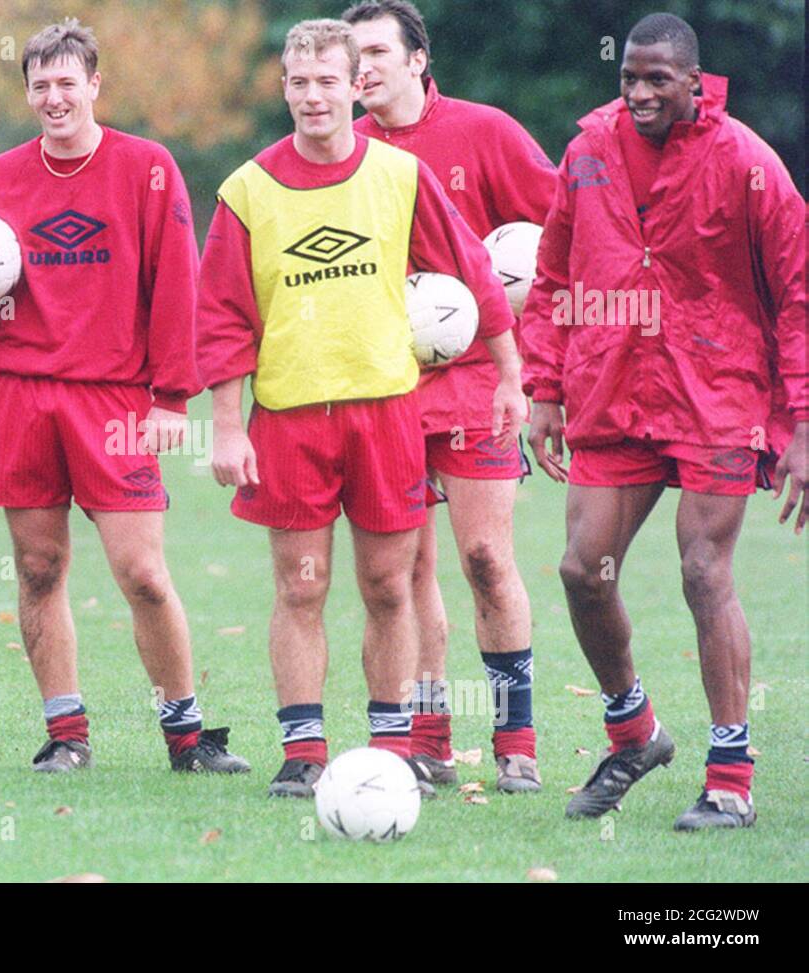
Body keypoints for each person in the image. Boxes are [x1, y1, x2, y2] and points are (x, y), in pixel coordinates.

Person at [198, 18, 525, 798]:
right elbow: (221, 317)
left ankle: (389, 744)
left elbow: (475, 275)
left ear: (355, 87)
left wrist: (511, 374)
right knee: (300, 587)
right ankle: (304, 749)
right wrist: (223, 423)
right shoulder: (247, 190)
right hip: (289, 417)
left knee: (389, 585)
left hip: (385, 415)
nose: (313, 97)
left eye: (327, 82)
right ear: (284, 88)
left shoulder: (398, 176)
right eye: (298, 83)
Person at [0, 20, 248, 775]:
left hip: (117, 401)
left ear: (95, 84)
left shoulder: (149, 168)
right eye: (41, 85)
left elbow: (176, 289)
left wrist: (170, 397)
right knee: (37, 569)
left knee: (144, 574)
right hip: (20, 395)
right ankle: (67, 736)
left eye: (68, 82)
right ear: (27, 91)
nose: (54, 97)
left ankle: (186, 736)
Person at [522, 13, 806, 830]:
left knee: (703, 572)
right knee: (583, 570)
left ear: (693, 81)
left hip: (716, 391)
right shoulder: (586, 152)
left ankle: (731, 777)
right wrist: (544, 385)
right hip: (612, 389)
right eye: (629, 80)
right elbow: (551, 274)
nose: (640, 93)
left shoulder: (747, 161)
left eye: (657, 80)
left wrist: (803, 424)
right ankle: (634, 730)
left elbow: (798, 294)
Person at [342, 0, 560, 794]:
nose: (361, 69)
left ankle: (518, 738)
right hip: (386, 383)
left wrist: (534, 343)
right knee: (401, 571)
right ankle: (425, 738)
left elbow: (564, 226)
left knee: (485, 558)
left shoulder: (485, 132)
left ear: (417, 59)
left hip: (476, 380)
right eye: (350, 56)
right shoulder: (346, 150)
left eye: (374, 53)